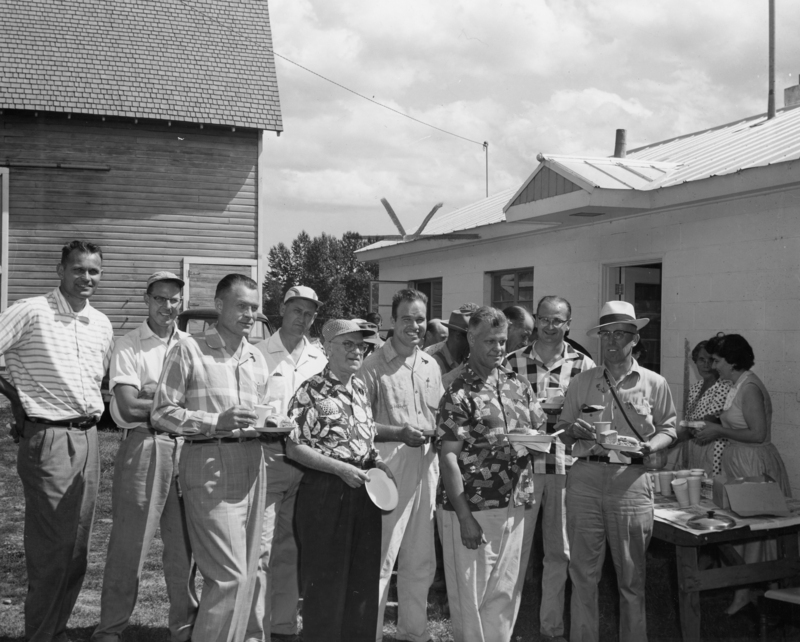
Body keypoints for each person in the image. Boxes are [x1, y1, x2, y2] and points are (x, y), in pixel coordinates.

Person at [0, 240, 113, 642]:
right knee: (52, 548)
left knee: (77, 548)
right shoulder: (31, 311)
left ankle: (57, 629)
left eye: (94, 271)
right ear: (61, 270)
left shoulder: (100, 323)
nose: (86, 278)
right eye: (78, 269)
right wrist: (17, 400)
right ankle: (42, 634)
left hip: (90, 438)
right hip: (50, 437)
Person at [152, 273, 269, 642]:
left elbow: (261, 414)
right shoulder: (189, 349)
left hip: (254, 463)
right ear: (219, 306)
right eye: (241, 306)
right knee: (228, 576)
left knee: (247, 573)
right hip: (208, 462)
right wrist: (214, 421)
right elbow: (160, 412)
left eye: (254, 307)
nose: (249, 314)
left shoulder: (256, 357)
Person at [557, 300, 677, 642]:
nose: (612, 342)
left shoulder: (654, 383)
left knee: (631, 577)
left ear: (635, 339)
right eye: (606, 335)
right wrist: (574, 430)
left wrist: (651, 447)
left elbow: (670, 427)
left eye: (620, 335)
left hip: (631, 482)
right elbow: (563, 429)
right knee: (582, 572)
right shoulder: (582, 381)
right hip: (585, 479)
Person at [92, 272, 197, 642]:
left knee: (184, 546)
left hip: (187, 449)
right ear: (146, 299)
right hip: (145, 445)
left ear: (181, 303)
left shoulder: (191, 345)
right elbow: (125, 405)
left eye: (173, 300)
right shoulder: (130, 344)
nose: (166, 307)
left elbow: (201, 404)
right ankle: (110, 629)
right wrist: (172, 403)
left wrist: (153, 397)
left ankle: (183, 628)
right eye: (159, 299)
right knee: (130, 543)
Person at [436, 306, 545, 642]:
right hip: (472, 508)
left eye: (501, 341)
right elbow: (448, 459)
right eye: (489, 342)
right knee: (470, 597)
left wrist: (545, 437)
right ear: (470, 338)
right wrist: (465, 517)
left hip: (516, 501)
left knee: (505, 593)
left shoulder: (518, 385)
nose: (498, 349)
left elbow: (538, 432)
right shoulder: (457, 393)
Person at [286, 319, 392, 642]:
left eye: (361, 345)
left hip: (363, 490)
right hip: (325, 492)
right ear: (327, 348)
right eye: (348, 344)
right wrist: (337, 469)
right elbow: (292, 446)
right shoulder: (310, 390)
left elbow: (365, 437)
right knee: (326, 583)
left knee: (362, 580)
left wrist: (378, 461)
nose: (357, 351)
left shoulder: (359, 388)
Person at [506, 295, 595, 642]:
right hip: (523, 467)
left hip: (564, 466)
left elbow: (592, 416)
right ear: (535, 322)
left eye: (557, 320)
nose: (550, 325)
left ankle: (551, 628)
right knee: (515, 550)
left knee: (559, 552)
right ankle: (504, 626)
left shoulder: (584, 366)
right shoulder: (512, 363)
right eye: (544, 318)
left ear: (568, 324)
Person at [359, 289, 444, 642]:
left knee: (421, 558)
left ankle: (413, 630)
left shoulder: (430, 364)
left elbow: (437, 414)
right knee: (383, 556)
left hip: (427, 466)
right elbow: (358, 424)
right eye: (406, 318)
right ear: (392, 321)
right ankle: (371, 633)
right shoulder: (373, 365)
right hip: (390, 466)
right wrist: (398, 431)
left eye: (420, 318)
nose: (414, 325)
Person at [694, 332, 791, 614]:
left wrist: (718, 430)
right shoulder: (735, 384)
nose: (713, 366)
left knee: (757, 530)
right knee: (743, 528)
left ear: (733, 361)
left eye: (717, 360)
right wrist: (714, 425)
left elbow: (758, 434)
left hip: (754, 463)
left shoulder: (748, 387)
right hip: (739, 461)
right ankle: (749, 588)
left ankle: (758, 590)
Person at [251, 285, 326, 642]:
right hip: (269, 455)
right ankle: (255, 628)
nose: (303, 319)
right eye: (297, 310)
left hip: (309, 463)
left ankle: (282, 626)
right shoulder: (258, 354)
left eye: (310, 313)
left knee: (292, 547)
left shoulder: (319, 357)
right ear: (282, 309)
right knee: (261, 548)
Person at [681, 340, 732, 477]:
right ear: (695, 362)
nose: (706, 365)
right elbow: (689, 424)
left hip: (718, 450)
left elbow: (715, 421)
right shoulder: (695, 389)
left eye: (711, 360)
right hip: (696, 448)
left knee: (713, 490)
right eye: (701, 360)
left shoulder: (727, 387)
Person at [428, 308, 472, 388]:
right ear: (458, 335)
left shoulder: (465, 358)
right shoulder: (435, 364)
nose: (472, 343)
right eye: (470, 338)